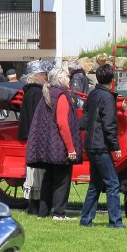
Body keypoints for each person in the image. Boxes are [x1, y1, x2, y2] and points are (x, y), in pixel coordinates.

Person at [26, 62, 82, 219]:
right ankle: (59, 213)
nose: (69, 80)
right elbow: (63, 123)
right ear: (61, 79)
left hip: (48, 145)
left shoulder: (48, 93)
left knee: (48, 178)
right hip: (59, 145)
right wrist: (71, 148)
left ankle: (43, 212)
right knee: (62, 180)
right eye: (67, 77)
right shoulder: (61, 95)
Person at [78, 61, 123, 228]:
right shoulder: (107, 97)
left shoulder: (92, 94)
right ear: (112, 80)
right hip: (101, 145)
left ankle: (86, 219)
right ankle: (115, 221)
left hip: (90, 144)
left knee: (95, 184)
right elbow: (109, 124)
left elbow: (84, 120)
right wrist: (115, 146)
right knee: (113, 183)